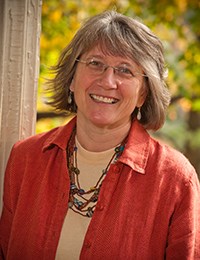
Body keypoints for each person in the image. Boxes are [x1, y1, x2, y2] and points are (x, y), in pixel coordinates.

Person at [0, 10, 199, 260]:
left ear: (143, 94)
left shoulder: (174, 180)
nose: (108, 81)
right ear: (72, 78)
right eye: (95, 63)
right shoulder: (25, 158)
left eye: (125, 70)